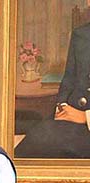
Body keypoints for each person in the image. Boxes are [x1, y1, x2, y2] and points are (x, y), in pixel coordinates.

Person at [15, 23, 90, 158]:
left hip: (86, 126)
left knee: (43, 138)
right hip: (70, 114)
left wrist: (85, 117)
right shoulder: (80, 34)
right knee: (30, 128)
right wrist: (62, 106)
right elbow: (69, 77)